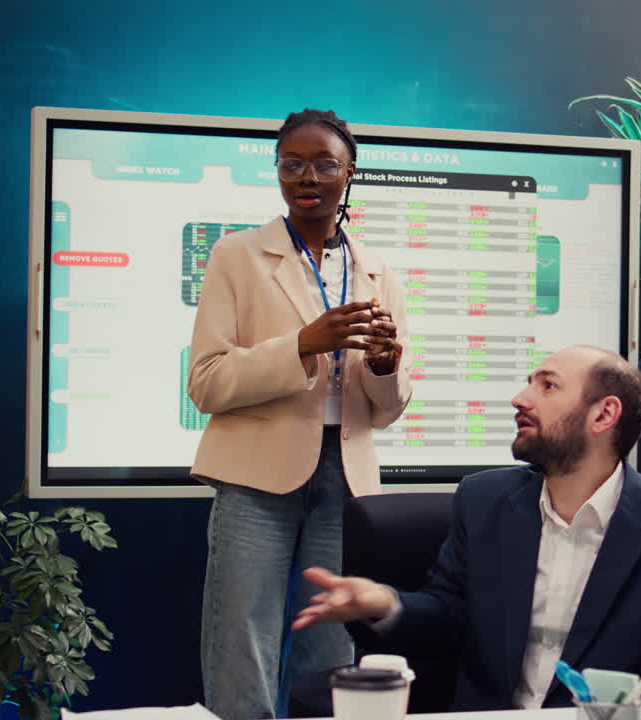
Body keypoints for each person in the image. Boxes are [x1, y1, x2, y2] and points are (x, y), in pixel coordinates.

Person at [293, 346, 641, 710]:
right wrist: (383, 603)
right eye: (529, 382)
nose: (520, 399)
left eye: (547, 385)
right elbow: (448, 616)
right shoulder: (485, 502)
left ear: (604, 415)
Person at [188, 108, 412, 720]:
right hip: (255, 477)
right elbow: (205, 383)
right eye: (291, 164)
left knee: (333, 644)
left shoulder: (376, 270)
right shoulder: (237, 256)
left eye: (323, 164)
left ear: (350, 173)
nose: (306, 176)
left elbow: (387, 411)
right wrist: (301, 344)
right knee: (243, 641)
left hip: (347, 478)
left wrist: (388, 367)